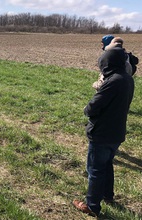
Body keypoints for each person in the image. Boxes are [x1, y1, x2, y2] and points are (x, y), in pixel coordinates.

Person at [73, 38, 135, 217]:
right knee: (107, 165)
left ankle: (92, 205)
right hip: (117, 132)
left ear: (108, 62)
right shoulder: (126, 78)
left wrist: (88, 110)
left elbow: (92, 107)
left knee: (95, 170)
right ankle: (108, 195)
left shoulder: (112, 81)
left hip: (102, 132)